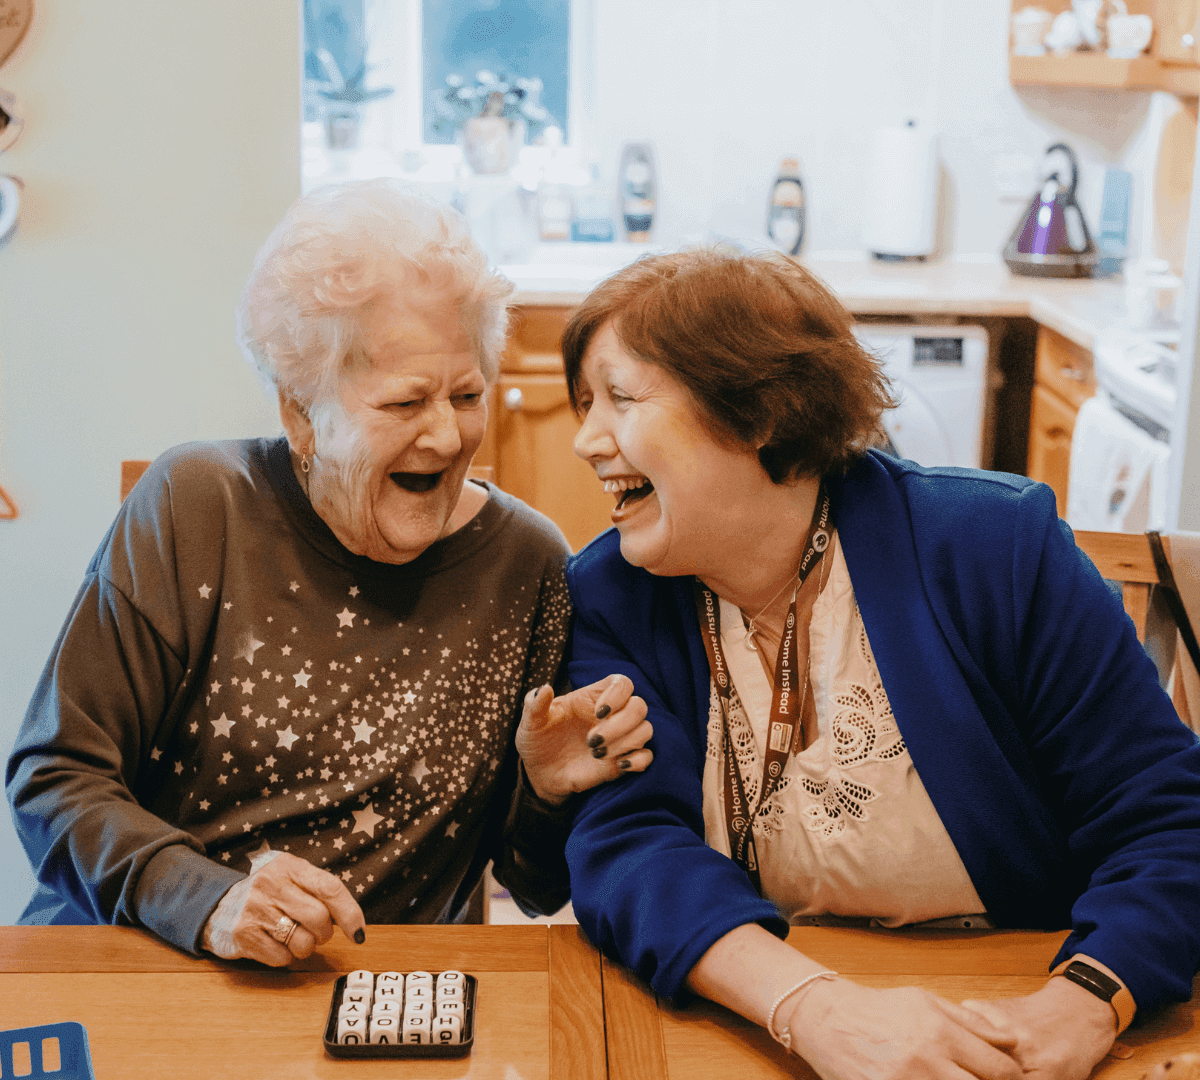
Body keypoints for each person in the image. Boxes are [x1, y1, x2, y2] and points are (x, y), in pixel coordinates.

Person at [560, 248, 1200, 1080]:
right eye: (580, 405)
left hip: (1010, 1014)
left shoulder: (994, 548)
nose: (583, 440)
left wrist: (1083, 1000)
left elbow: (1167, 823)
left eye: (619, 398)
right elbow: (627, 847)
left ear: (756, 414)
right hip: (758, 1026)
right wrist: (814, 1007)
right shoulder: (613, 592)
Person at [6, 179, 652, 967]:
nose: (447, 437)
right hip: (146, 968)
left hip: (378, 1002)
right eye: (404, 402)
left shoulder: (531, 564)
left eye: (466, 394)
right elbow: (56, 778)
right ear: (299, 412)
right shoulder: (196, 506)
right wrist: (210, 902)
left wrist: (548, 793)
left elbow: (534, 883)